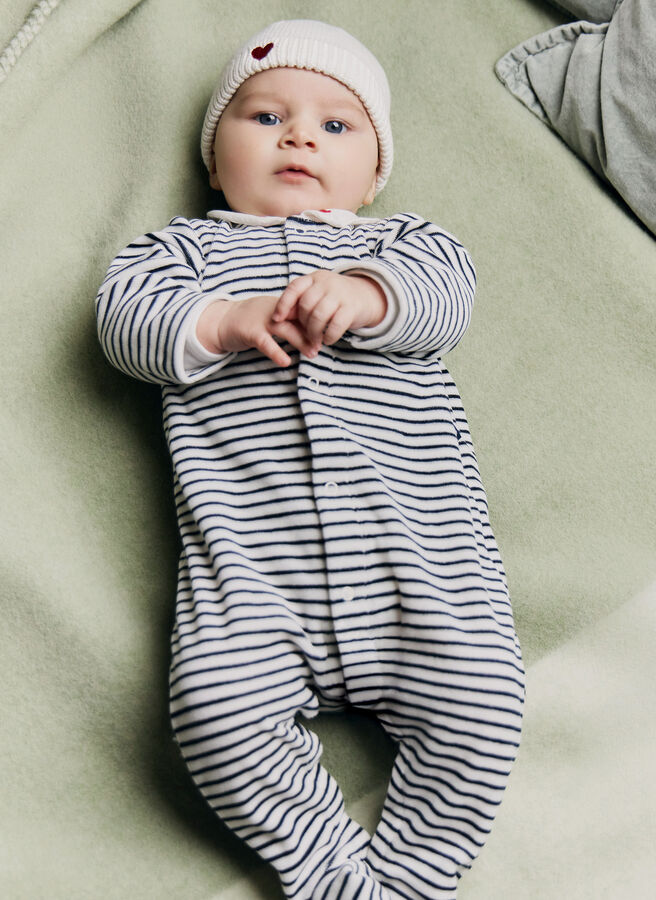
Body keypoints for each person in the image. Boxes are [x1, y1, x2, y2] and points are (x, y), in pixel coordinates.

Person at [96, 19, 524, 900]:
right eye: (264, 117)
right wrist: (224, 320)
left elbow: (447, 296)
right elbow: (124, 321)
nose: (298, 137)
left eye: (336, 125)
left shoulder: (401, 246)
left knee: (483, 707)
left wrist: (366, 297)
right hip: (255, 584)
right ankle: (332, 880)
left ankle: (406, 882)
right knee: (214, 715)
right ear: (214, 161)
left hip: (419, 572)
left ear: (373, 176)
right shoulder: (182, 254)